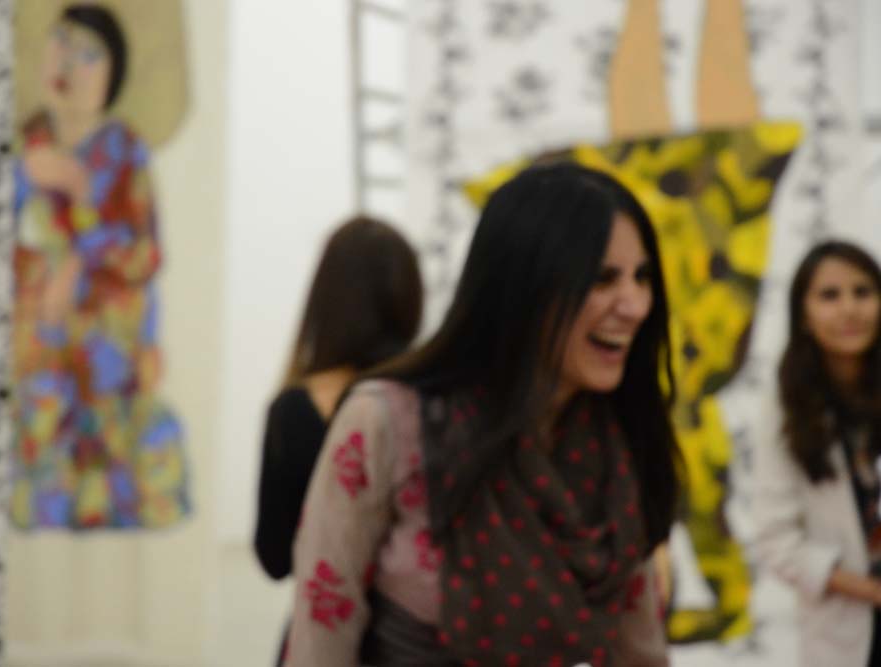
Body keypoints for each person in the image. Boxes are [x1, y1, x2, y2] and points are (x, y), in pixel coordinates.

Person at [284, 163, 678, 666]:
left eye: (642, 277)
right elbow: (321, 636)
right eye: (603, 279)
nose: (636, 305)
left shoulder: (615, 450)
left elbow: (641, 653)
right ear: (526, 287)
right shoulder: (390, 423)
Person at [11, 3, 188, 528]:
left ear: (114, 77)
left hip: (107, 349)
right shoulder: (27, 143)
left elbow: (145, 255)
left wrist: (81, 204)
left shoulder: (124, 152)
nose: (67, 63)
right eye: (61, 42)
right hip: (31, 345)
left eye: (89, 54)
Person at [254, 216, 423, 663]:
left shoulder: (293, 409)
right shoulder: (432, 401)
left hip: (319, 639)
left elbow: (274, 558)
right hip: (419, 646)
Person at [754, 241, 881, 666]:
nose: (850, 309)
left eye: (863, 292)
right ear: (803, 315)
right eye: (830, 295)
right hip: (845, 632)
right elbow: (778, 542)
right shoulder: (786, 407)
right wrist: (870, 591)